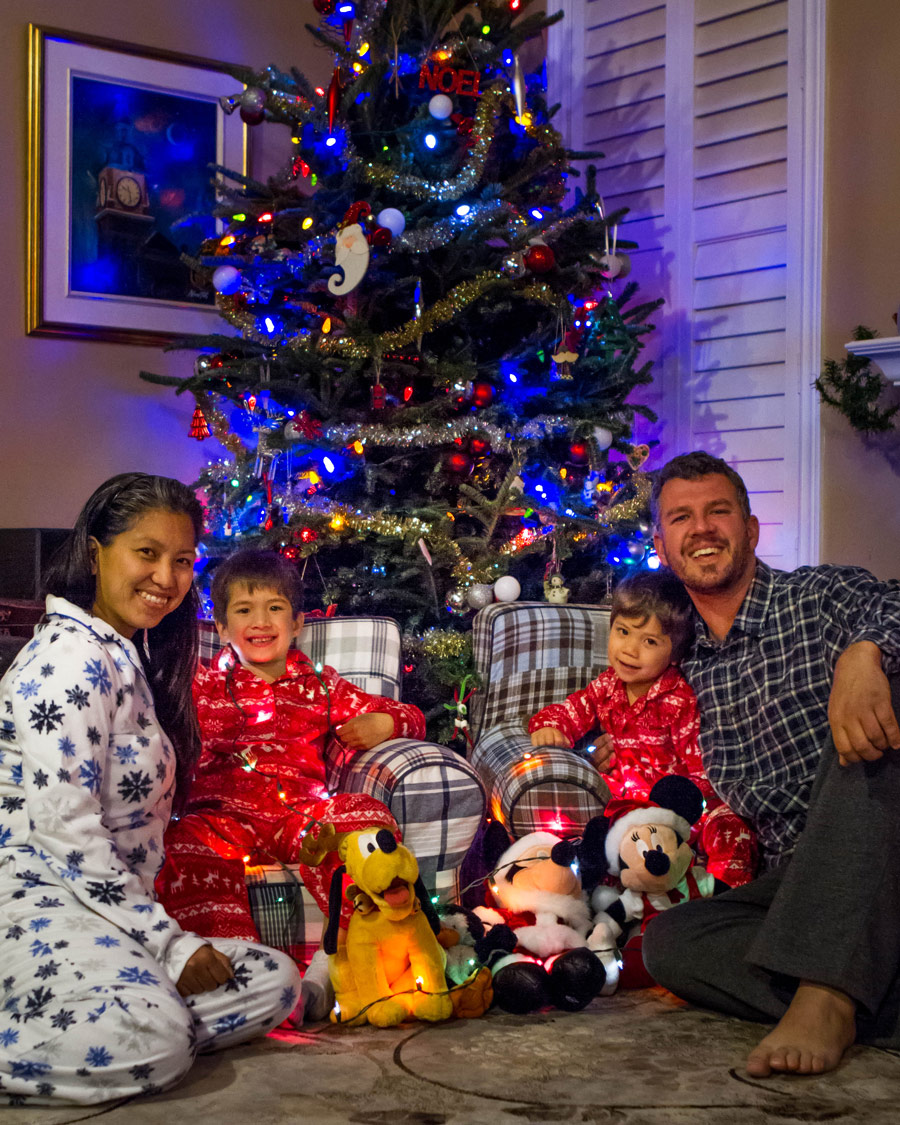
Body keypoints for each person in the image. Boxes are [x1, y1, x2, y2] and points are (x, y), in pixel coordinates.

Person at [0, 474, 300, 1106]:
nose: (166, 577)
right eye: (147, 552)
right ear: (95, 553)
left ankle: (128, 1020)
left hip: (106, 912)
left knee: (271, 979)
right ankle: (138, 1031)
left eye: (182, 560)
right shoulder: (66, 663)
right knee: (155, 1043)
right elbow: (67, 834)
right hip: (38, 899)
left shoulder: (122, 654)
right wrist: (167, 943)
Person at [641, 450, 900, 1078]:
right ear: (662, 545)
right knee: (670, 943)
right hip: (793, 884)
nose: (701, 528)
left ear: (751, 529)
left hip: (880, 845)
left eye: (718, 511)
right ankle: (865, 983)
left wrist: (864, 655)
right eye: (681, 518)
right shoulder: (678, 670)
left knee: (866, 740)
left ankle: (828, 998)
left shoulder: (820, 597)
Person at [155, 548, 426, 1020]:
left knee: (363, 818)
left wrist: (385, 722)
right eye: (243, 610)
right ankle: (243, 977)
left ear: (297, 622)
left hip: (300, 817)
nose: (260, 621)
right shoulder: (201, 688)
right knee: (181, 847)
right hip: (220, 819)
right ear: (220, 629)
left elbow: (412, 716)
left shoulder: (320, 685)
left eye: (274, 608)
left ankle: (332, 965)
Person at [528, 569, 757, 887]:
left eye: (649, 641)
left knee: (730, 824)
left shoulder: (679, 700)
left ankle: (724, 893)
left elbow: (700, 774)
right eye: (622, 632)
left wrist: (688, 814)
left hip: (677, 810)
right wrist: (551, 727)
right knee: (589, 840)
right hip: (624, 806)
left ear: (675, 652)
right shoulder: (606, 686)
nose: (629, 650)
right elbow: (569, 712)